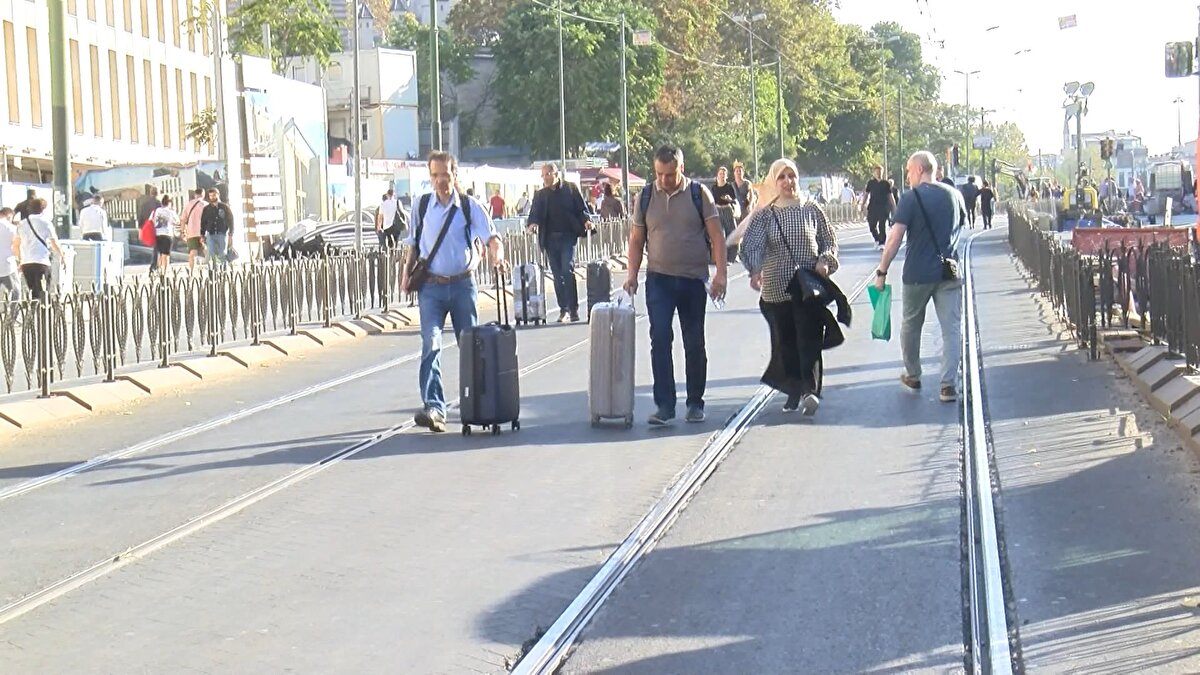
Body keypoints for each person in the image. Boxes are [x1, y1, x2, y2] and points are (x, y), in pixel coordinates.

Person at [401, 150, 508, 433]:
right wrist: (405, 275)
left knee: (470, 349)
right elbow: (413, 243)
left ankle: (477, 403)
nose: (440, 181)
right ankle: (435, 408)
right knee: (431, 345)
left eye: (445, 175)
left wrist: (498, 257)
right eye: (435, 175)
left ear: (455, 175)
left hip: (462, 286)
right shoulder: (421, 206)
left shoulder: (470, 207)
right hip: (431, 288)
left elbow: (492, 237)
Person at [623, 145, 727, 425]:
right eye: (659, 174)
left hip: (693, 280)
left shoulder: (698, 194)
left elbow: (717, 236)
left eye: (669, 174)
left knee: (694, 342)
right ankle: (665, 405)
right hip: (659, 279)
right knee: (660, 338)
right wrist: (631, 275)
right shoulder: (645, 197)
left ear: (681, 167)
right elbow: (636, 240)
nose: (664, 180)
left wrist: (720, 275)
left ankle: (695, 402)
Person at [739, 158, 840, 415]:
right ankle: (794, 391)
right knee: (785, 343)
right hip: (776, 288)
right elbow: (752, 244)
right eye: (782, 177)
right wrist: (755, 269)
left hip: (807, 287)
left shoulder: (812, 209)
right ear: (775, 182)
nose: (788, 182)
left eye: (792, 176)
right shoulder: (766, 214)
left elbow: (829, 240)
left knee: (808, 339)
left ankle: (810, 391)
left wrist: (825, 261)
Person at [874, 150, 965, 403]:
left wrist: (882, 271)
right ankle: (948, 385)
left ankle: (913, 375)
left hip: (917, 274)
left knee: (911, 325)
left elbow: (894, 239)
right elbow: (958, 231)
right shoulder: (955, 196)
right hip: (949, 273)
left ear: (920, 170)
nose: (907, 175)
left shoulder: (911, 198)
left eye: (908, 170)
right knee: (951, 328)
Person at [527, 163, 591, 322]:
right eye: (543, 176)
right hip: (549, 239)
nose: (545, 178)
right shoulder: (540, 195)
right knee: (556, 275)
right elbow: (534, 213)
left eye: (547, 174)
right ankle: (564, 309)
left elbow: (581, 209)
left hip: (568, 237)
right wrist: (533, 224)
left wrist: (587, 221)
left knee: (566, 271)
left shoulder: (570, 189)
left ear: (555, 174)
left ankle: (573, 308)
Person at [12, 199, 64, 302]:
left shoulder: (22, 224)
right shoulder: (46, 223)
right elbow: (54, 243)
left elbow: (16, 245)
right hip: (42, 260)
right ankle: (43, 315)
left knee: (32, 291)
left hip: (26, 262)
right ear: (43, 209)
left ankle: (33, 313)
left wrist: (19, 261)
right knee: (44, 291)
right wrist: (62, 255)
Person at [860, 165, 895, 250]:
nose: (879, 174)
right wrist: (862, 205)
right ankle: (877, 239)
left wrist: (894, 207)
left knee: (882, 225)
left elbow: (890, 196)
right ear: (874, 173)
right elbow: (866, 195)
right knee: (871, 224)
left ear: (882, 173)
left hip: (883, 207)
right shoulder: (871, 183)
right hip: (873, 207)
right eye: (877, 172)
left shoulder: (886, 183)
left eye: (880, 172)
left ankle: (882, 242)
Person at [200, 188, 234, 269]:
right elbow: (203, 222)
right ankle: (215, 271)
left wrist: (231, 233)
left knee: (222, 253)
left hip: (222, 233)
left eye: (214, 195)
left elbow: (230, 219)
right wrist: (202, 234)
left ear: (218, 195)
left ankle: (224, 271)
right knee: (212, 252)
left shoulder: (224, 207)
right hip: (210, 234)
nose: (212, 197)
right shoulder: (206, 208)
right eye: (210, 196)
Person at [152, 194, 179, 271]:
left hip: (158, 234)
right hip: (167, 235)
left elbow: (154, 221)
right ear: (170, 202)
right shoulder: (171, 212)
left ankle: (159, 270)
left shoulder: (158, 210)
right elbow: (177, 222)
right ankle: (165, 272)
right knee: (166, 255)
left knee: (160, 254)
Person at [0, 208, 16, 299]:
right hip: (7, 265)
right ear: (9, 216)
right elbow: (16, 245)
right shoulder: (11, 228)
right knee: (15, 291)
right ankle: (14, 313)